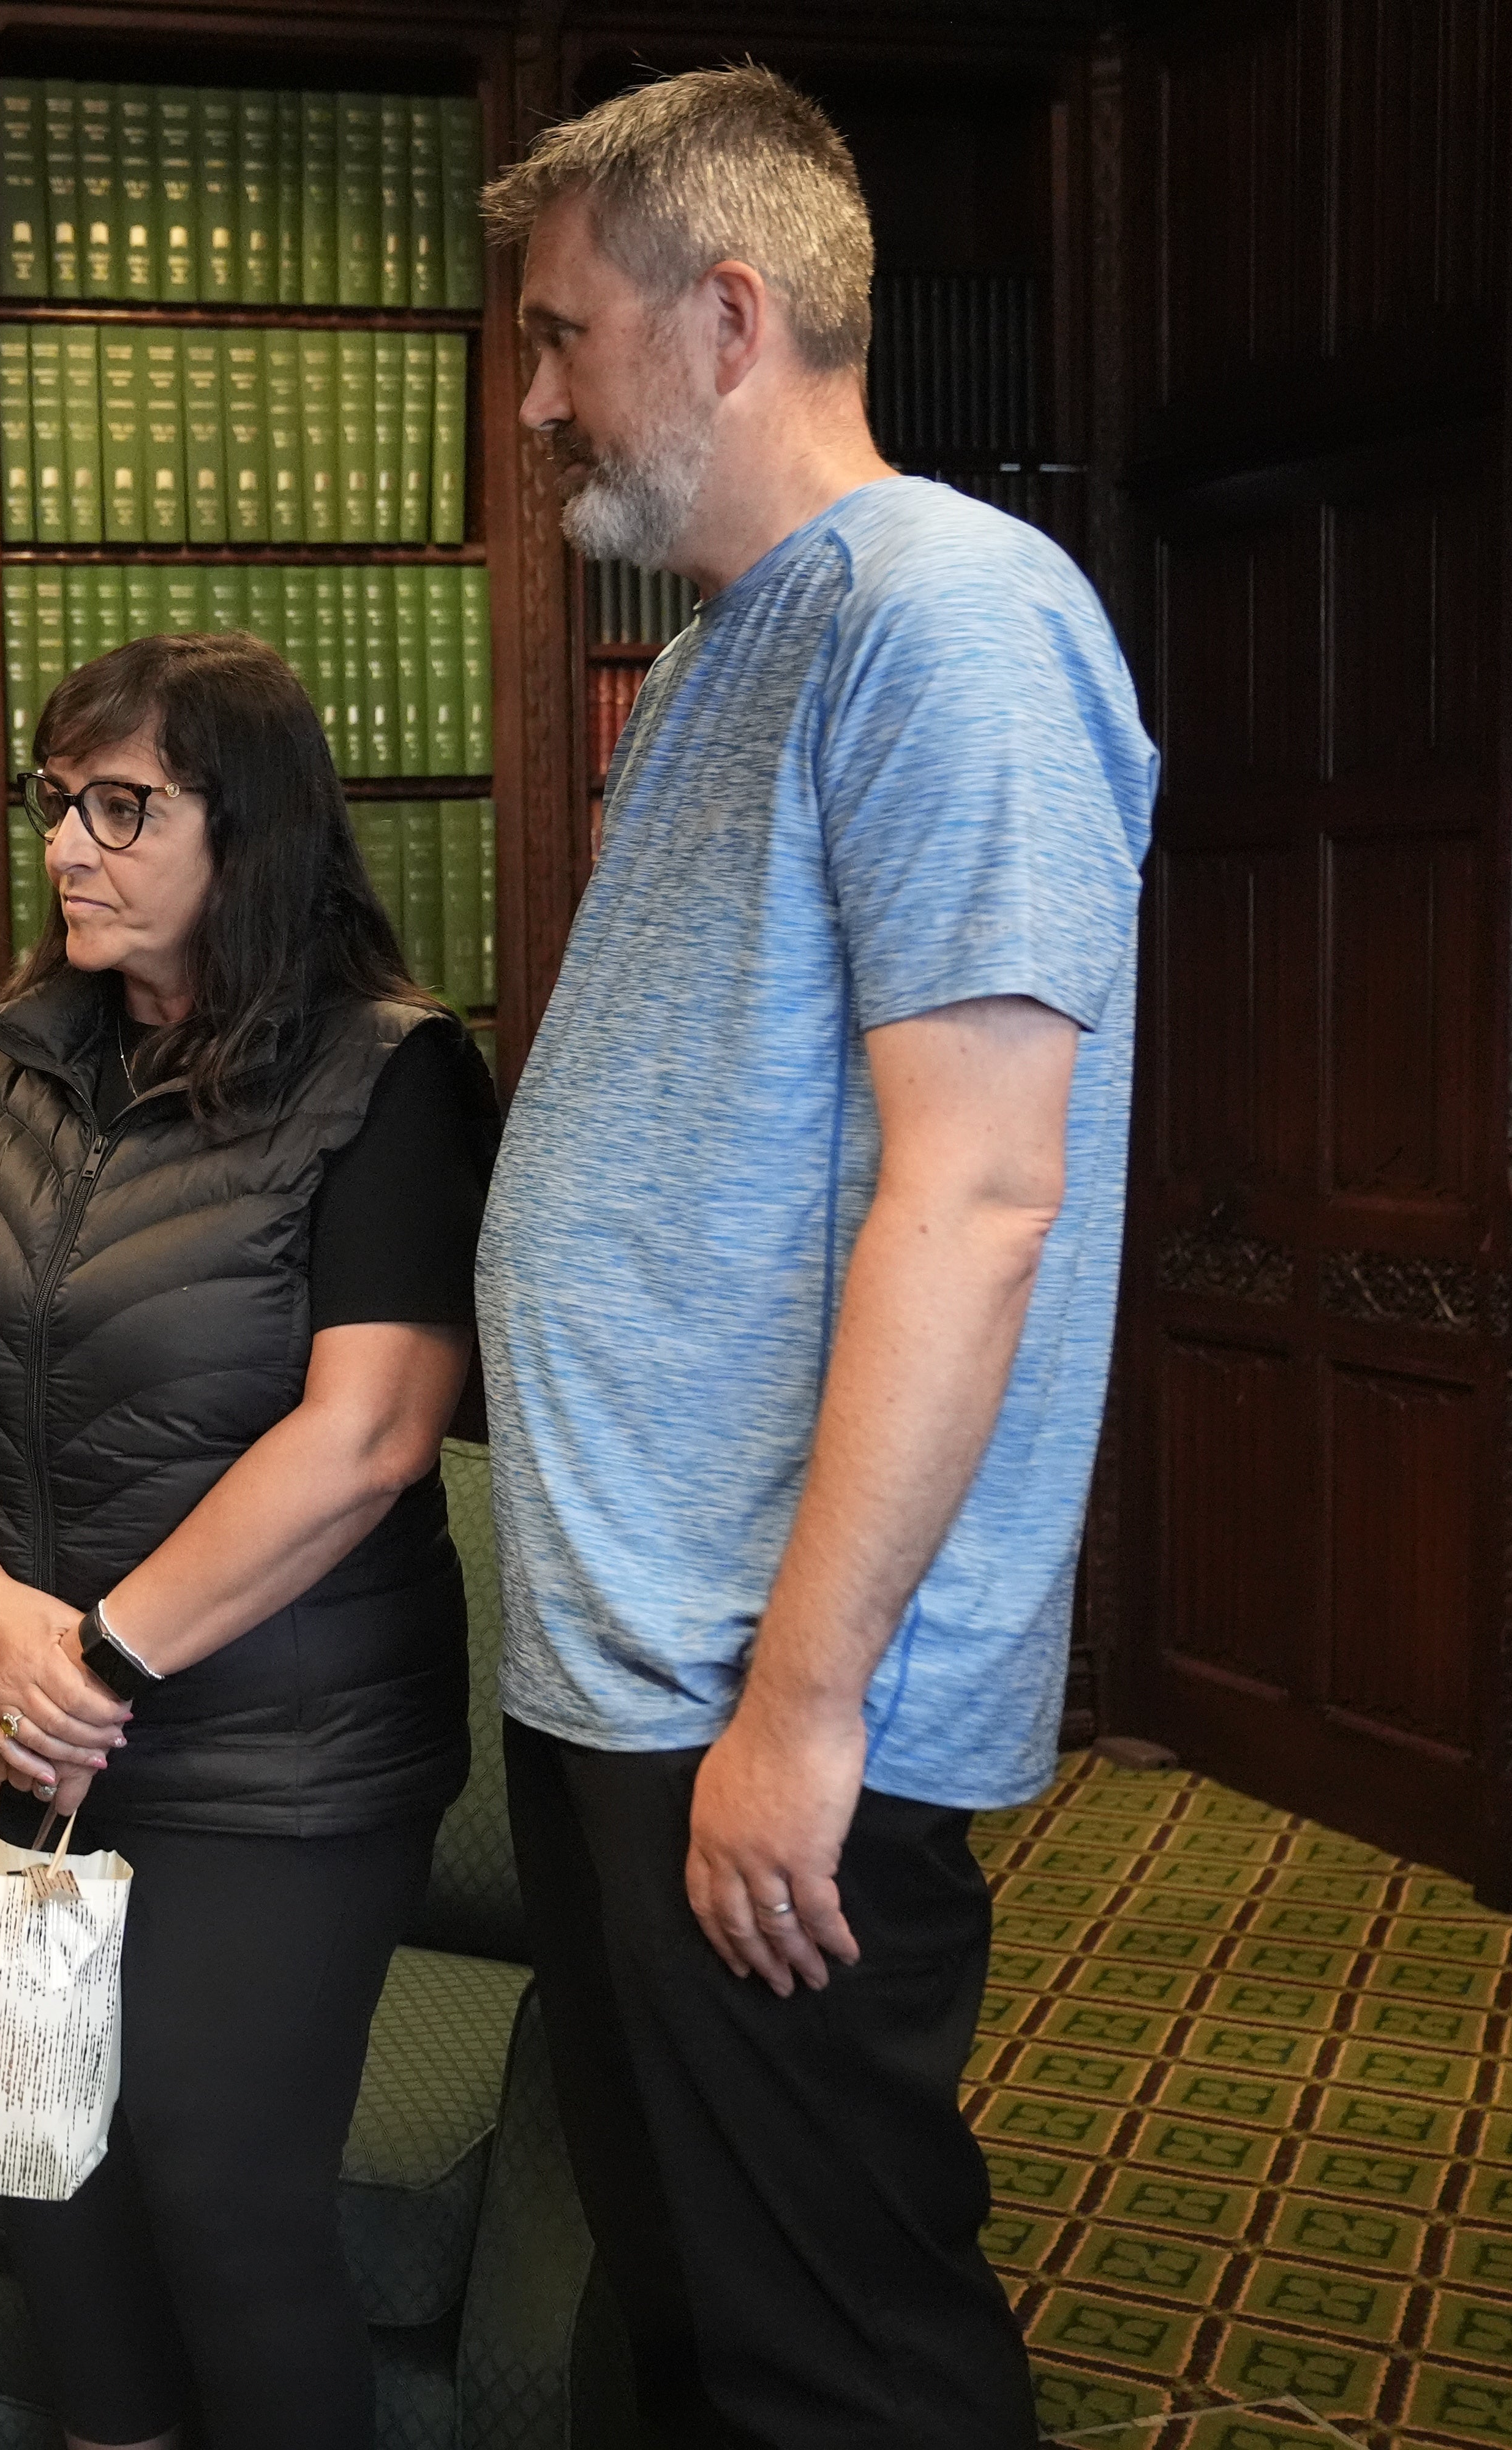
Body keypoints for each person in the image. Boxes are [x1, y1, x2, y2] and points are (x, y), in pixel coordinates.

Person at [470, 66, 1157, 2450]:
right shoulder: (721, 651)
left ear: (728, 312)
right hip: (638, 1669)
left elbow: (978, 1197)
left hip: (771, 1699)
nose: (539, 391)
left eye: (564, 331)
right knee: (691, 2335)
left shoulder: (958, 617)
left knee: (840, 2365)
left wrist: (804, 1698)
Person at [0, 631, 497, 2450]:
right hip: (0, 1724)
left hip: (269, 1759)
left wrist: (100, 1652)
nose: (70, 848)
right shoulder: (7, 1052)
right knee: (38, 2183)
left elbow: (369, 1435)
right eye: (58, 804)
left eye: (123, 807)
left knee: (222, 2195)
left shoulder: (394, 1076)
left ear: (257, 828)